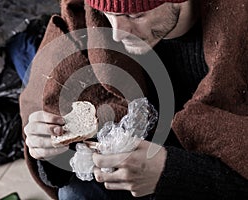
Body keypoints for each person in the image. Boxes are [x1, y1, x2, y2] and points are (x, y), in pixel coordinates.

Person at [20, 0, 248, 199]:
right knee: (77, 192)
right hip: (134, 170)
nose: (118, 34)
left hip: (208, 177)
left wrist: (174, 174)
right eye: (109, 13)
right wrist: (51, 148)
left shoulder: (239, 26)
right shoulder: (87, 17)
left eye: (135, 15)